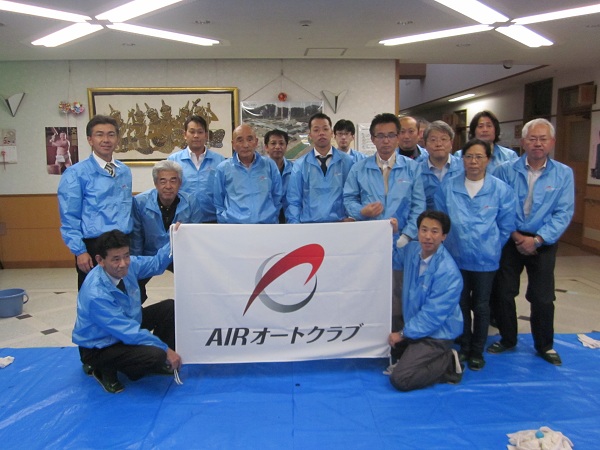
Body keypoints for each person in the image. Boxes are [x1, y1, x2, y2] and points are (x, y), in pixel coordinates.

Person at [487, 118, 575, 366]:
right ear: (523, 142)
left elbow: (563, 212)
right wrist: (516, 236)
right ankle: (507, 338)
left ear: (552, 142)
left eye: (543, 139)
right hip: (510, 238)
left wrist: (537, 239)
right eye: (533, 139)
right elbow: (498, 207)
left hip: (543, 240)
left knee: (543, 297)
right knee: (503, 292)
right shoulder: (505, 170)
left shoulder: (563, 174)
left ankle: (544, 345)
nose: (538, 143)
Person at [434, 138, 515, 371]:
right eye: (469, 156)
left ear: (488, 160)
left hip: (485, 260)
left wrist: (492, 245)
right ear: (463, 160)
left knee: (481, 306)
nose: (473, 162)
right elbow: (441, 219)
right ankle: (464, 346)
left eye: (479, 157)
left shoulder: (500, 189)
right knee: (460, 304)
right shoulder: (448, 186)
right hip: (456, 258)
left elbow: (506, 225)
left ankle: (478, 351)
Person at [73, 229, 182, 394]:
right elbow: (127, 331)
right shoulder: (95, 294)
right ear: (100, 260)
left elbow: (156, 263)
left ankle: (151, 361)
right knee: (157, 355)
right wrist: (165, 349)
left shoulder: (129, 266)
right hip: (100, 345)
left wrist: (175, 238)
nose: (123, 263)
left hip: (126, 323)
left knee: (169, 308)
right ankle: (103, 368)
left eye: (126, 256)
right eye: (116, 259)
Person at [343, 113, 426, 331]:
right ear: (372, 139)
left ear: (398, 137)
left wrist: (406, 235)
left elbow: (419, 206)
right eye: (380, 136)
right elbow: (348, 199)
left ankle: (397, 339)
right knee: (368, 292)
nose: (386, 141)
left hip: (402, 243)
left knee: (399, 294)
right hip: (369, 243)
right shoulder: (359, 168)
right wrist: (362, 211)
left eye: (391, 135)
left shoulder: (412, 168)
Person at [387, 210, 464, 392]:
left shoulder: (448, 272)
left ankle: (448, 363)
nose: (428, 236)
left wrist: (403, 334)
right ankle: (413, 350)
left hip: (437, 334)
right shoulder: (413, 250)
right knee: (388, 348)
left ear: (444, 236)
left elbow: (432, 316)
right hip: (415, 324)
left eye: (435, 231)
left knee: (401, 379)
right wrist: (393, 234)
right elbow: (394, 259)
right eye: (424, 230)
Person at [58, 115, 133, 290]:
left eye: (111, 134)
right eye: (100, 134)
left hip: (122, 243)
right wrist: (80, 251)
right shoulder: (76, 173)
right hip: (94, 246)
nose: (106, 140)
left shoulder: (124, 171)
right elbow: (69, 217)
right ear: (90, 140)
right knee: (94, 294)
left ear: (117, 139)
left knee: (123, 292)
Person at [131, 160, 202, 303]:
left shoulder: (191, 202)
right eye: (162, 181)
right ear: (155, 183)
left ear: (180, 183)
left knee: (199, 283)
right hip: (150, 255)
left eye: (173, 181)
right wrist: (135, 265)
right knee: (133, 289)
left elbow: (197, 236)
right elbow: (136, 237)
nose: (168, 186)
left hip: (180, 255)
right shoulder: (140, 202)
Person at [286, 112, 354, 223]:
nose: (321, 133)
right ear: (310, 135)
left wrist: (352, 217)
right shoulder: (300, 165)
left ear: (332, 133)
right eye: (316, 130)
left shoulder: (348, 162)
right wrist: (295, 225)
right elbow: (294, 200)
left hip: (340, 225)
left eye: (325, 129)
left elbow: (353, 195)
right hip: (309, 225)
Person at [214, 124, 282, 224]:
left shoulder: (269, 165)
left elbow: (277, 196)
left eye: (250, 139)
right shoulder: (223, 168)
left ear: (256, 142)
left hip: (266, 225)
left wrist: (271, 216)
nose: (245, 145)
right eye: (240, 140)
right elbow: (218, 202)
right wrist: (225, 220)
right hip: (235, 227)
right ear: (233, 144)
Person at [167, 115, 225, 223]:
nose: (196, 136)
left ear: (206, 135)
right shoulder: (173, 160)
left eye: (200, 132)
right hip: (182, 221)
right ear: (185, 134)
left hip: (213, 221)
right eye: (192, 132)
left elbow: (224, 191)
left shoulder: (219, 161)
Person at [419, 120, 463, 210]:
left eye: (443, 139)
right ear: (425, 145)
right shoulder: (416, 171)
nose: (439, 144)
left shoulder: (464, 167)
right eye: (433, 140)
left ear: (451, 143)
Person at [264, 129, 293, 223]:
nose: (277, 147)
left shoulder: (294, 169)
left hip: (289, 216)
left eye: (281, 143)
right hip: (266, 218)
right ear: (266, 147)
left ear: (286, 146)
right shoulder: (260, 170)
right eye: (273, 143)